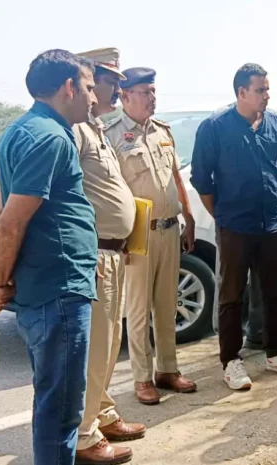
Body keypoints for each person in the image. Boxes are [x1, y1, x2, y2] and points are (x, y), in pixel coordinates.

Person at [0, 49, 98, 465]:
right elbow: (8, 223)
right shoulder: (49, 138)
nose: (93, 97)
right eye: (89, 87)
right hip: (57, 292)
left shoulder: (22, 130)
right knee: (61, 410)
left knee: (52, 398)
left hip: (51, 288)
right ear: (69, 87)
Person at [191, 63, 277, 391]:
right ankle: (231, 361)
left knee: (275, 292)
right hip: (234, 226)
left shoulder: (276, 124)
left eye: (267, 89)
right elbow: (201, 177)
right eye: (260, 90)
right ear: (241, 92)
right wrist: (222, 215)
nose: (267, 95)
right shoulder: (214, 127)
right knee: (231, 296)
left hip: (272, 224)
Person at [106, 67, 197, 405]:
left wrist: (187, 214)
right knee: (139, 308)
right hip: (137, 233)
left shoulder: (162, 131)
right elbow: (110, 191)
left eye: (154, 90)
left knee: (166, 304)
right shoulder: (112, 136)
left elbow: (175, 177)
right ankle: (142, 378)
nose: (151, 97)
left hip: (169, 228)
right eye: (145, 91)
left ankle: (168, 370)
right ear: (125, 96)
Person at [72, 48, 145, 465]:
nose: (117, 89)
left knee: (109, 343)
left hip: (115, 252)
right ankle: (84, 436)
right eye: (110, 82)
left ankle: (101, 414)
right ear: (85, 81)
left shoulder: (96, 127)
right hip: (95, 252)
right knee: (95, 348)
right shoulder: (76, 131)